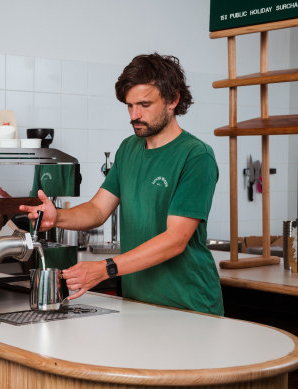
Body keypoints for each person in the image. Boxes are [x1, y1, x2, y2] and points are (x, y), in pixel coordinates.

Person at [19, 53, 224, 316]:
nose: (134, 115)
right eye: (129, 106)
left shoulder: (196, 156)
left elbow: (175, 240)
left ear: (173, 99)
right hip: (137, 303)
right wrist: (57, 217)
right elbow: (97, 209)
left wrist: (104, 269)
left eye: (144, 104)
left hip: (189, 305)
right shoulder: (129, 148)